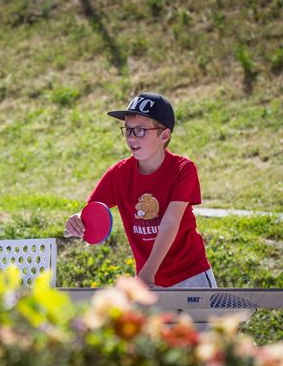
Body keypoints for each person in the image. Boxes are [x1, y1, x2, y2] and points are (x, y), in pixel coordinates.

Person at [65, 92, 216, 289]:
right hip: (148, 281)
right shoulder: (117, 174)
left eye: (141, 130)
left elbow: (170, 222)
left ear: (164, 135)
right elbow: (93, 211)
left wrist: (148, 271)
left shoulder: (183, 169)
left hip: (190, 277)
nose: (131, 137)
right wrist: (77, 220)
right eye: (128, 130)